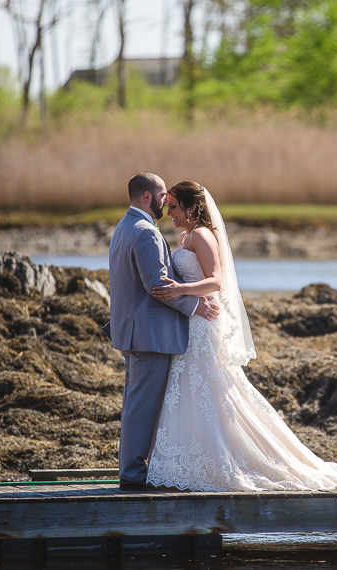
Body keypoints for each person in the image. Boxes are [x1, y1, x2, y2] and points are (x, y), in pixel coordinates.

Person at [144, 181, 337, 491]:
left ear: (191, 207)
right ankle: (190, 457)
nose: (170, 212)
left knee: (211, 388)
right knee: (193, 387)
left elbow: (216, 280)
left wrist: (182, 290)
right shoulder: (184, 236)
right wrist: (187, 296)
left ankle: (222, 457)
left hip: (205, 326)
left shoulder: (203, 236)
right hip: (195, 321)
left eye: (174, 206)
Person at [106, 172, 220, 492]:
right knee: (142, 407)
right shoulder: (144, 232)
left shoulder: (125, 226)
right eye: (161, 197)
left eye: (171, 202)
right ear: (147, 197)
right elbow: (158, 286)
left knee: (136, 404)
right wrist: (196, 307)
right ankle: (132, 474)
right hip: (149, 333)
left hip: (135, 331)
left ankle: (137, 469)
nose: (165, 203)